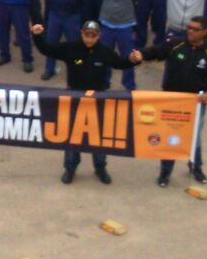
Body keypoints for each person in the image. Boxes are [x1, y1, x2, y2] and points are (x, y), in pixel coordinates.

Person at [31, 20, 139, 185]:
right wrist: (37, 35)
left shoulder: (105, 52)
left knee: (99, 138)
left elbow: (120, 64)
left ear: (98, 36)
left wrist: (132, 59)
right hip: (74, 100)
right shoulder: (70, 48)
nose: (89, 39)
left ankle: (100, 167)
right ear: (81, 33)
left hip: (98, 101)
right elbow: (47, 50)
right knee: (73, 137)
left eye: (93, 36)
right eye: (86, 35)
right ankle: (70, 168)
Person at [137, 15, 207, 187]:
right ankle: (165, 172)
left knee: (194, 138)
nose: (190, 31)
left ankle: (196, 167)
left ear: (204, 32)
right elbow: (157, 51)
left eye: (195, 29)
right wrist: (141, 54)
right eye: (189, 28)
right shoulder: (175, 44)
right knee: (170, 137)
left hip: (195, 104)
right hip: (171, 101)